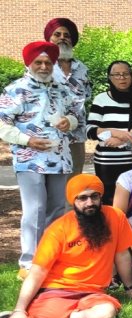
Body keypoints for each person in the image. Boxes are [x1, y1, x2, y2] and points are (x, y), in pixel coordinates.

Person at [0, 174, 132, 318]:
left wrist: (130, 288)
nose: (90, 203)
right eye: (83, 198)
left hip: (94, 293)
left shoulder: (116, 217)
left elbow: (122, 255)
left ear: (101, 196)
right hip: (58, 291)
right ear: (73, 201)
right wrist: (19, 309)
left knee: (106, 313)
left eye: (94, 196)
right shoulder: (58, 229)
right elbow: (37, 272)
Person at [0, 41, 81, 279]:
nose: (44, 66)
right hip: (30, 158)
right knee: (34, 209)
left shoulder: (62, 88)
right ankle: (29, 263)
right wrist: (27, 140)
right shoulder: (16, 89)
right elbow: (3, 124)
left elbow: (77, 115)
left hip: (59, 156)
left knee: (57, 209)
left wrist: (70, 122)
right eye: (39, 62)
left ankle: (51, 256)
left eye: (48, 62)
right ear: (29, 63)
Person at [86, 60, 132, 204]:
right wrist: (115, 132)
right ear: (110, 77)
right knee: (108, 203)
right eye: (117, 74)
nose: (122, 78)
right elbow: (90, 131)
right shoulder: (101, 99)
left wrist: (124, 139)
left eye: (125, 74)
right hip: (106, 164)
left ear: (131, 76)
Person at [44, 18, 92, 180]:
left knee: (73, 181)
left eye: (67, 35)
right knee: (50, 182)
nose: (62, 38)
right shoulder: (41, 66)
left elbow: (86, 97)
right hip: (49, 134)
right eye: (57, 34)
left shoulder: (82, 69)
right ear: (49, 39)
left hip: (76, 136)